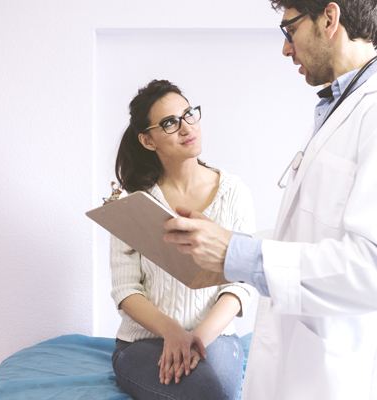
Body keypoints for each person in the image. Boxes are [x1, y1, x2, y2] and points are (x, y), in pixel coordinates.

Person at [163, 2, 377, 399]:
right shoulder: (337, 106)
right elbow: (314, 231)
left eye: (290, 30)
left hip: (338, 371)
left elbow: (370, 267)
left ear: (330, 19)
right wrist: (227, 243)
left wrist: (239, 254)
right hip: (305, 358)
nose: (285, 48)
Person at [110, 79, 256, 400]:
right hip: (143, 342)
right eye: (170, 123)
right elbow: (126, 290)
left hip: (214, 336)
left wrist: (196, 339)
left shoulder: (234, 193)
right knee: (205, 392)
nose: (187, 127)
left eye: (189, 114)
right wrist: (173, 332)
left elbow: (241, 283)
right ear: (147, 140)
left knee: (215, 391)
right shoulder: (133, 203)